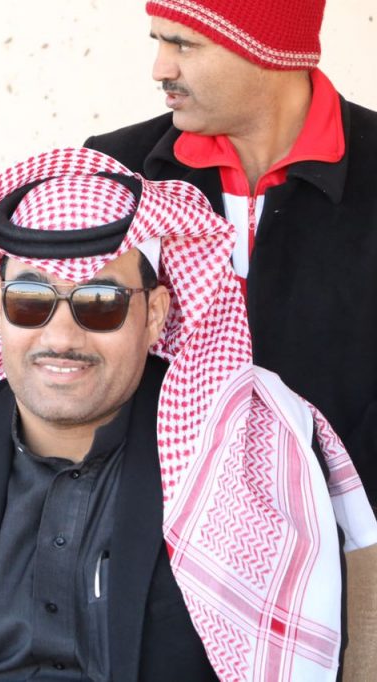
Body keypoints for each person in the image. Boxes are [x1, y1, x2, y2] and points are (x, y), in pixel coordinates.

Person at [0, 148, 376, 681]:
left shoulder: (247, 457)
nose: (61, 337)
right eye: (30, 300)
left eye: (100, 303)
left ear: (155, 314)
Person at [84, 0, 377, 506]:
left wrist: (346, 515)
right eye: (159, 40)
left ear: (268, 50)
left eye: (184, 45)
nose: (161, 69)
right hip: (153, 520)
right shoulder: (118, 170)